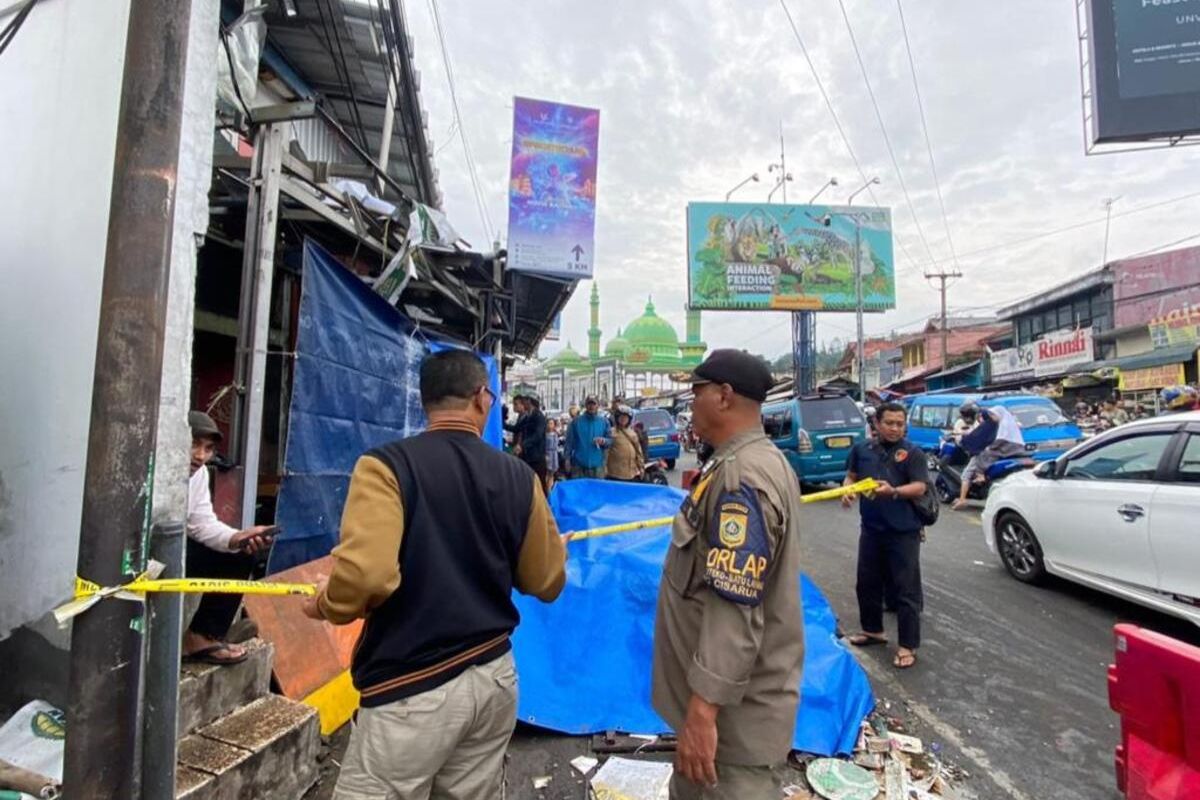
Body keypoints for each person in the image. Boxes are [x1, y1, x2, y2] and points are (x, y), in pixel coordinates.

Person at [303, 349, 567, 800]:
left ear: (426, 401)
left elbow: (367, 577)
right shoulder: (519, 477)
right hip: (493, 677)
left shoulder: (386, 468)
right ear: (483, 399)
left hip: (411, 687)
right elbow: (545, 581)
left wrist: (326, 602)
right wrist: (551, 551)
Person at [651, 349, 804, 799]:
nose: (689, 404)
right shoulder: (742, 462)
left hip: (731, 730)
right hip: (724, 722)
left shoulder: (742, 478)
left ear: (723, 396)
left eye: (695, 393)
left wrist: (703, 712)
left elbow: (734, 608)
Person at [841, 402, 930, 670]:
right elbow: (851, 476)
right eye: (889, 423)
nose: (894, 428)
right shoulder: (862, 450)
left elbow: (920, 487)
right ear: (877, 425)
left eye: (899, 424)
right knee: (866, 582)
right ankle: (873, 631)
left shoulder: (912, 453)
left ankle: (907, 645)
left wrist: (893, 491)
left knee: (905, 591)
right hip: (871, 528)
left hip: (903, 532)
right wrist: (848, 491)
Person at [184, 411, 275, 665]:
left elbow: (201, 523)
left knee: (241, 554)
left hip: (172, 553)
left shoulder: (198, 474)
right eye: (193, 444)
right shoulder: (151, 464)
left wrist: (238, 538)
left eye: (208, 448)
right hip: (139, 557)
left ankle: (202, 637)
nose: (200, 455)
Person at [951, 405, 1025, 510]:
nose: (990, 416)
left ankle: (963, 498)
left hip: (1002, 450)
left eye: (992, 414)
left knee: (966, 474)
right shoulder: (1005, 423)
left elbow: (987, 440)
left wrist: (968, 441)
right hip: (1013, 450)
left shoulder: (995, 424)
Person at [565, 396, 611, 478]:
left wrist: (603, 441)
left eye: (594, 404)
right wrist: (567, 460)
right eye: (589, 404)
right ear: (586, 405)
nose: (591, 406)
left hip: (597, 467)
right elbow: (569, 442)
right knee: (578, 490)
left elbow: (610, 441)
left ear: (598, 405)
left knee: (596, 490)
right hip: (578, 467)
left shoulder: (604, 422)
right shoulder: (576, 422)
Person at [514, 394, 549, 488]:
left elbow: (537, 436)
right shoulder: (527, 417)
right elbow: (516, 428)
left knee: (540, 485)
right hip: (527, 457)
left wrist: (522, 445)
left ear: (529, 401)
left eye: (524, 400)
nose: (523, 403)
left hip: (537, 458)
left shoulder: (539, 416)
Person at [606, 406, 644, 481]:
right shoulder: (611, 432)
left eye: (626, 417)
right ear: (617, 418)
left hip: (631, 474)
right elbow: (606, 452)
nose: (623, 419)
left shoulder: (633, 433)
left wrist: (641, 467)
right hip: (615, 474)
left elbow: (639, 452)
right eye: (621, 417)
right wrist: (605, 469)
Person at [545, 418, 561, 490]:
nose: (550, 425)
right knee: (548, 471)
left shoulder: (556, 434)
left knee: (553, 472)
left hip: (554, 454)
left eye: (552, 423)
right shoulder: (545, 435)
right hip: (548, 453)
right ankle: (547, 487)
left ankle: (551, 487)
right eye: (549, 423)